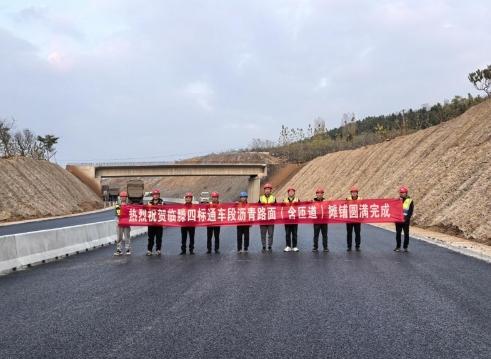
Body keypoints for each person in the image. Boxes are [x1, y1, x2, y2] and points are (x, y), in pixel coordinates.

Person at [394, 186, 414, 252]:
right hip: (398, 221)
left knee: (406, 234)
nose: (401, 193)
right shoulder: (397, 200)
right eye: (401, 192)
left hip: (405, 221)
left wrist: (406, 219)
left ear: (406, 193)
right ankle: (398, 247)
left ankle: (405, 247)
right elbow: (394, 210)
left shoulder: (410, 201)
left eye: (403, 192)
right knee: (398, 234)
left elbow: (410, 211)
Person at [258, 183, 276, 252]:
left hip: (271, 218)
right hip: (263, 218)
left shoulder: (274, 198)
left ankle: (269, 245)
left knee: (271, 233)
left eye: (268, 189)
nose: (267, 190)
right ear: (264, 190)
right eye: (266, 189)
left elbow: (277, 207)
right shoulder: (261, 198)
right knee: (263, 233)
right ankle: (264, 245)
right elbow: (257, 207)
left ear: (270, 190)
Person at [146, 189, 164, 256]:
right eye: (154, 194)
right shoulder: (149, 203)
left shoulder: (162, 202)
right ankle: (149, 250)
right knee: (150, 238)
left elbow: (167, 210)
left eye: (157, 194)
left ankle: (158, 250)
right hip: (151, 223)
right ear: (152, 195)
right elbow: (144, 209)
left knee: (159, 238)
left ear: (159, 195)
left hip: (159, 223)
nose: (155, 196)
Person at [114, 191, 131, 256]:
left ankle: (128, 249)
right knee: (119, 237)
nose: (123, 198)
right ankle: (119, 249)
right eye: (122, 197)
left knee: (127, 236)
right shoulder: (117, 204)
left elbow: (131, 213)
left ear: (126, 197)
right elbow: (117, 214)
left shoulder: (129, 204)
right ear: (120, 197)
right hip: (120, 222)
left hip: (126, 223)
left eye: (124, 197)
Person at [283, 187, 300, 252]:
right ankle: (288, 246)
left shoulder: (297, 199)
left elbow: (301, 208)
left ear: (294, 193)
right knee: (287, 233)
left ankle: (295, 246)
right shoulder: (284, 200)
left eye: (292, 191)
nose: (291, 193)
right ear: (288, 193)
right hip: (287, 219)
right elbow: (282, 209)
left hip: (295, 219)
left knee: (294, 233)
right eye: (290, 192)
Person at [312, 188, 329, 252]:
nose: (319, 194)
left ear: (323, 194)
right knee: (316, 235)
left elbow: (328, 210)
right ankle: (315, 247)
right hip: (316, 221)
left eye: (321, 193)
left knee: (324, 235)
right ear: (316, 194)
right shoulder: (313, 202)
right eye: (318, 193)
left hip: (324, 220)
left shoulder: (326, 202)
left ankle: (325, 247)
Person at [346, 186, 362, 251]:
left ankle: (357, 246)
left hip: (357, 219)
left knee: (357, 233)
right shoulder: (347, 199)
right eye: (352, 192)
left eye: (355, 192)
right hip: (349, 219)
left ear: (357, 193)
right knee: (349, 233)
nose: (354, 193)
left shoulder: (361, 199)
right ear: (351, 193)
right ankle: (349, 246)